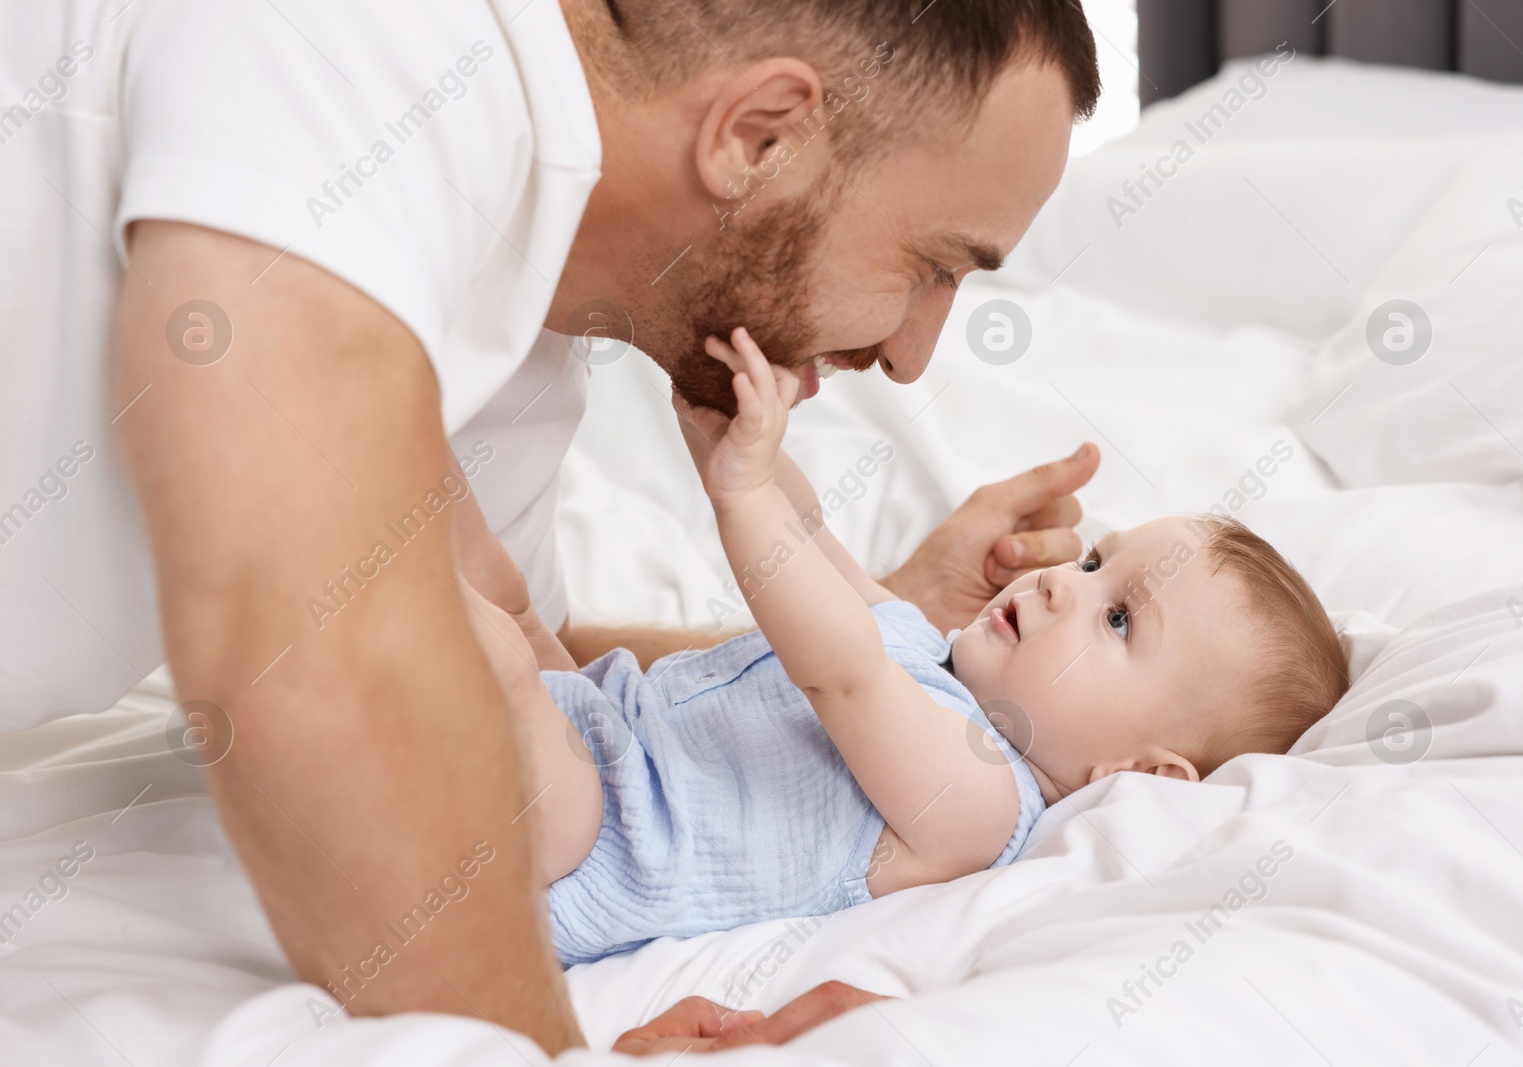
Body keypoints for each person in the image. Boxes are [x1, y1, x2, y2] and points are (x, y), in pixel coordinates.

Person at [0, 0, 1103, 1055]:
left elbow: (534, 680)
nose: (914, 352)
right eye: (933, 265)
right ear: (759, 135)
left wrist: (896, 631)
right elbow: (330, 683)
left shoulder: (534, 311)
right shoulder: (372, 52)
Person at [456, 328, 1352, 965]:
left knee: (484, 644)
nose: (1058, 583)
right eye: (1093, 560)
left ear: (1141, 772)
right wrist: (721, 425)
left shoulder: (983, 806)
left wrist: (741, 492)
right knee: (479, 560)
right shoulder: (926, 653)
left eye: (1116, 617)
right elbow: (811, 539)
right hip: (604, 721)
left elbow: (840, 670)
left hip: (597, 841)